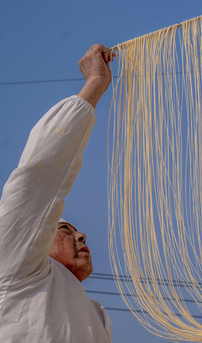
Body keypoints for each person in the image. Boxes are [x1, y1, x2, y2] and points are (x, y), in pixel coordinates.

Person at [0, 44, 115, 342]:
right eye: (65, 229)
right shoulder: (14, 261)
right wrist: (94, 84)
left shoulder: (97, 316)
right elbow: (37, 181)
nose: (81, 237)